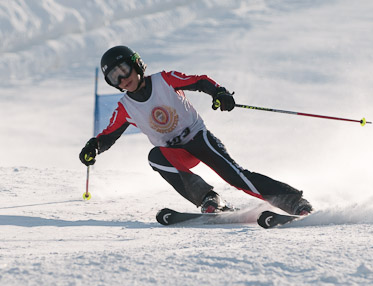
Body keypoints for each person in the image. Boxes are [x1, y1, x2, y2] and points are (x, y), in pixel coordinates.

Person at [79, 45, 312, 215]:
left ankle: (293, 201)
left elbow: (199, 81)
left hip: (199, 139)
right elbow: (108, 136)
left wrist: (219, 93)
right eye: (114, 77)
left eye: (123, 70)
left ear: (136, 64)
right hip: (175, 154)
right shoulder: (125, 107)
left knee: (235, 176)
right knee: (155, 158)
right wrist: (94, 147)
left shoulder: (164, 80)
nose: (122, 79)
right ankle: (208, 198)